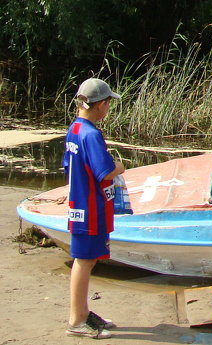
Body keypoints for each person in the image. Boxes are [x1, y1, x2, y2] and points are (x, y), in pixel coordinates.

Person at [64, 78, 125, 339]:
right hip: (91, 208)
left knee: (85, 260)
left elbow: (68, 167)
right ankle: (76, 320)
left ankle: (83, 312)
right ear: (100, 105)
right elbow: (106, 172)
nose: (108, 108)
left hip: (80, 203)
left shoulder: (74, 129)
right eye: (108, 103)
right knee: (85, 260)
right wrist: (121, 168)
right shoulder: (91, 134)